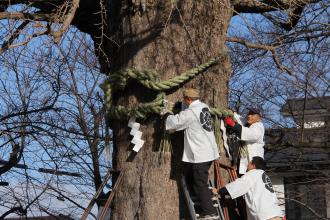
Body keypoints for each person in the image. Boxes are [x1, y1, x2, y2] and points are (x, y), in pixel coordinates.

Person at [165, 88, 220, 219]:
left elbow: (174, 123)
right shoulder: (203, 107)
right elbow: (187, 108)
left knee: (200, 183)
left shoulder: (191, 113)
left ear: (188, 100)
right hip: (209, 151)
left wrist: (167, 114)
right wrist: (182, 106)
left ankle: (210, 212)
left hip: (200, 153)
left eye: (185, 99)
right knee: (189, 173)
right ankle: (202, 197)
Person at [218, 157, 284, 220]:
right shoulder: (263, 175)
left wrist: (220, 191)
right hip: (275, 214)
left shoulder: (253, 173)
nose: (247, 166)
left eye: (249, 163)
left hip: (266, 216)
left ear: (253, 165)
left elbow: (238, 185)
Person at [224, 106, 265, 174]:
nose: (249, 116)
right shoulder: (248, 123)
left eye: (252, 114)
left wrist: (233, 125)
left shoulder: (259, 126)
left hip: (254, 164)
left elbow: (250, 134)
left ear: (259, 118)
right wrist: (233, 113)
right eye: (249, 113)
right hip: (244, 162)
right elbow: (240, 119)